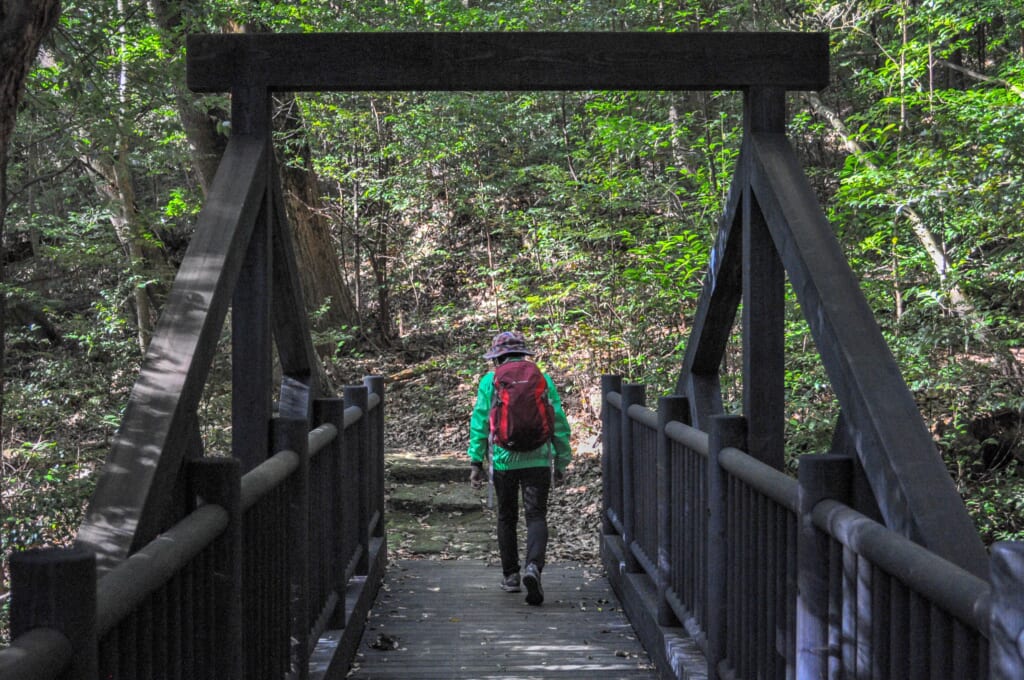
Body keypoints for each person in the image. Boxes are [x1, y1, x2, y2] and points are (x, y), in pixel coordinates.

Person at [467, 331, 571, 606]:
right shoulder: (542, 378)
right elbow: (558, 421)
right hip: (538, 459)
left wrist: (476, 461)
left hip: (504, 460)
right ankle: (533, 567)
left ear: (497, 357)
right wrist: (561, 461)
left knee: (507, 517)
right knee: (536, 516)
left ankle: (511, 576)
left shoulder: (490, 381)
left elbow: (479, 423)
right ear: (524, 354)